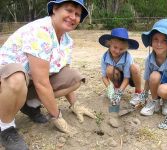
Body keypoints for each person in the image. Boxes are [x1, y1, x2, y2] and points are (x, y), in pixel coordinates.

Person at [0, 0, 95, 149]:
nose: (73, 16)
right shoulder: (40, 31)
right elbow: (41, 83)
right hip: (6, 82)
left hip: (28, 82)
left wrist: (75, 104)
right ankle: (5, 127)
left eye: (77, 14)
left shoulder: (67, 41)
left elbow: (64, 74)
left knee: (74, 78)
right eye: (69, 10)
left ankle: (30, 105)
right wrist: (56, 116)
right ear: (55, 9)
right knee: (16, 78)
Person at [99, 28, 143, 110]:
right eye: (115, 47)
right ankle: (116, 89)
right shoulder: (105, 57)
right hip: (118, 77)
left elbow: (127, 78)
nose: (117, 51)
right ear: (109, 44)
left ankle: (138, 93)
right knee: (109, 69)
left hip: (130, 77)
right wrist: (109, 89)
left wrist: (120, 93)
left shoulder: (127, 57)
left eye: (121, 49)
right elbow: (104, 77)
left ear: (126, 48)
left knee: (135, 67)